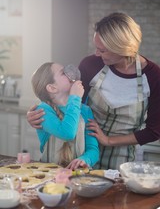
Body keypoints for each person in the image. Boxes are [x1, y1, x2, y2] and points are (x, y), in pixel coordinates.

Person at [27, 12, 160, 170]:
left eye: (102, 50)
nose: (96, 54)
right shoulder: (91, 65)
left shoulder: (153, 77)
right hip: (78, 152)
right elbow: (68, 104)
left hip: (120, 159)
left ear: (123, 49)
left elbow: (154, 131)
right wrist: (36, 114)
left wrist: (108, 140)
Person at [30, 62, 99, 170]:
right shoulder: (43, 110)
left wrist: (85, 159)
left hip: (78, 177)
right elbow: (67, 133)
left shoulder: (85, 110)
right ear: (52, 88)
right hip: (49, 177)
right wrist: (75, 97)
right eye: (63, 73)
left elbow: (93, 149)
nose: (69, 73)